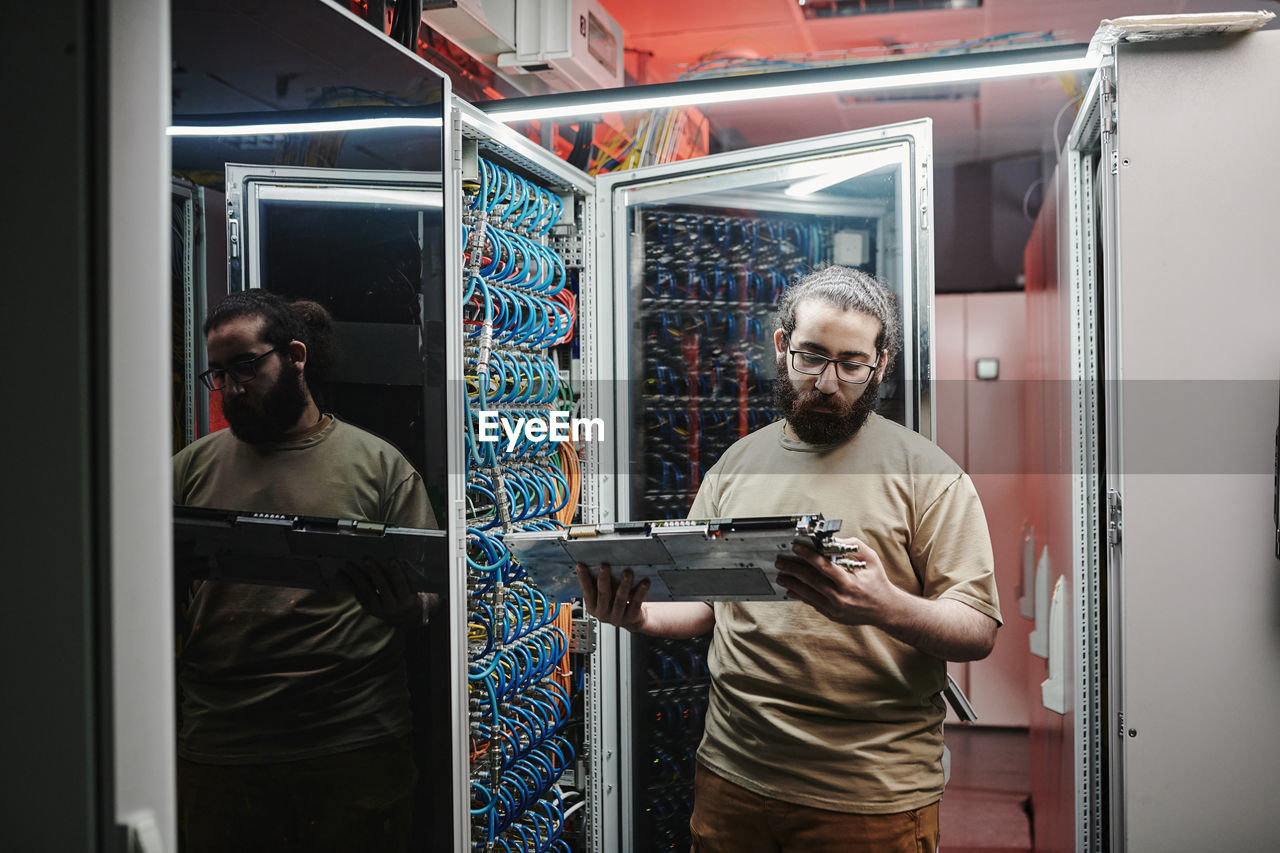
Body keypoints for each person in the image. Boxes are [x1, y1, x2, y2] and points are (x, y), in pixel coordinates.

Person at [577, 266, 1001, 853]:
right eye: (812, 357)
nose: (828, 383)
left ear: (880, 365)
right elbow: (706, 602)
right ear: (782, 346)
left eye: (852, 364)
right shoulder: (737, 464)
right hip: (732, 776)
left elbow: (976, 630)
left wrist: (884, 606)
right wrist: (639, 617)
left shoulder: (930, 475)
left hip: (868, 796)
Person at [172, 290, 438, 853]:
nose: (232, 387)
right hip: (221, 745)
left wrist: (407, 610)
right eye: (217, 373)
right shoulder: (190, 469)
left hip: (350, 742)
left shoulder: (378, 466)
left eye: (245, 366)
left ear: (295, 356)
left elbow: (432, 594)